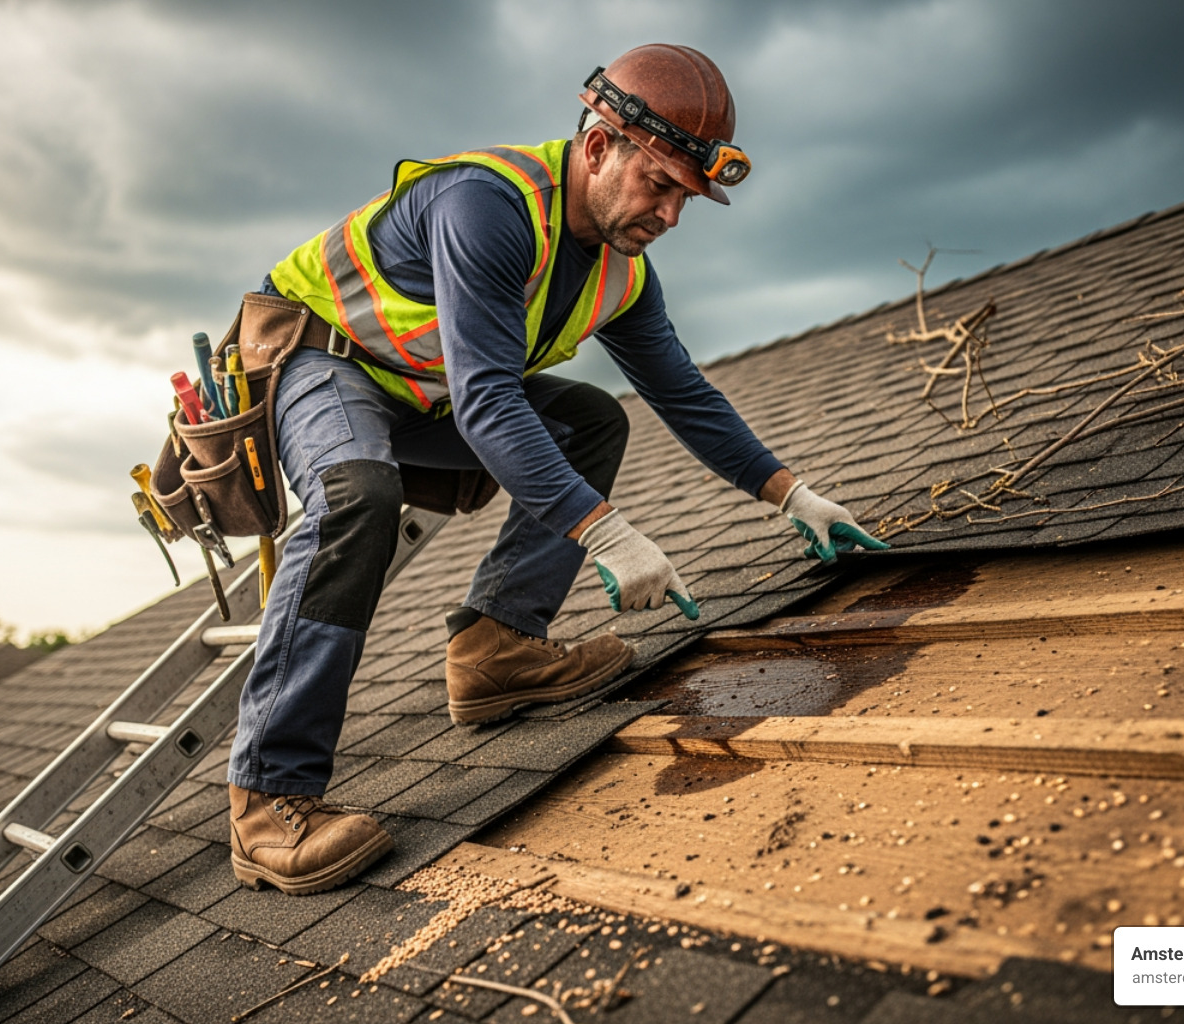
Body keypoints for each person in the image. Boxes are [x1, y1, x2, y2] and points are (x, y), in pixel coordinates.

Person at [225, 43, 887, 895]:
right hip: (319, 361)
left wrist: (791, 491)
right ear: (600, 145)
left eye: (688, 196)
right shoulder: (487, 206)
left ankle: (497, 648)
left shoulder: (620, 269)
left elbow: (681, 392)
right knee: (357, 494)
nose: (673, 216)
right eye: (660, 184)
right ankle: (268, 799)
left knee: (588, 420)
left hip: (420, 391)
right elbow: (489, 400)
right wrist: (605, 531)